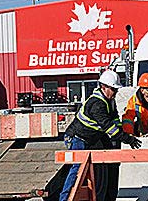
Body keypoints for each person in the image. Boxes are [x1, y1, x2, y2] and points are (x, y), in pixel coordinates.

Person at [60, 70, 142, 201]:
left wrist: (125, 132)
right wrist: (128, 139)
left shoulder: (110, 101)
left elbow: (115, 120)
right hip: (77, 138)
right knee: (78, 168)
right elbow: (110, 129)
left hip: (92, 137)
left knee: (107, 158)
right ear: (103, 87)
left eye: (116, 90)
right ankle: (64, 199)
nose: (115, 92)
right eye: (113, 89)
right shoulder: (97, 104)